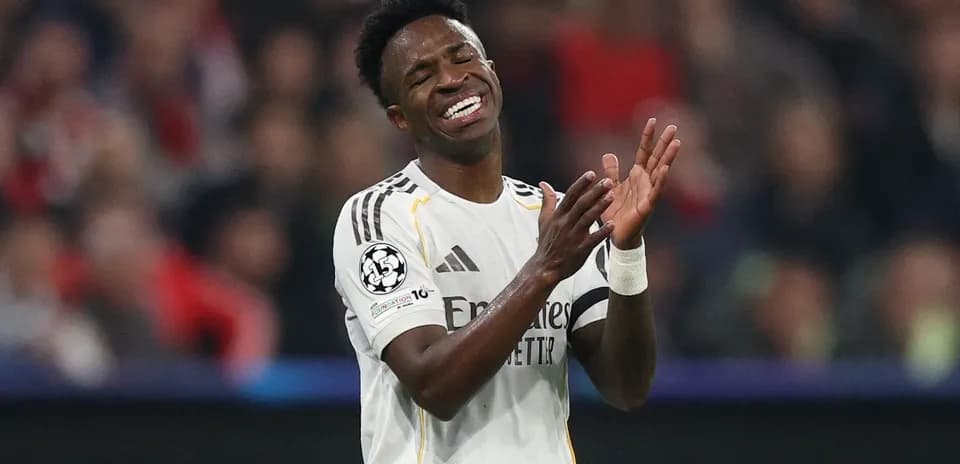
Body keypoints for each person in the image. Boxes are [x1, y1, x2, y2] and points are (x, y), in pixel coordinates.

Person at [333, 1, 681, 462]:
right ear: (400, 118)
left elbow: (626, 387)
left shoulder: (554, 215)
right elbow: (434, 385)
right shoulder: (379, 217)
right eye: (422, 76)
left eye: (463, 58)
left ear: (491, 72)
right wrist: (545, 269)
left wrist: (627, 252)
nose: (452, 79)